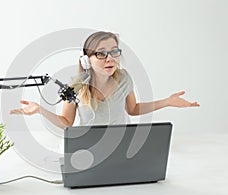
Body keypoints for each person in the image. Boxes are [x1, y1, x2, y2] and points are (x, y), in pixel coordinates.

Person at [10, 31, 199, 128]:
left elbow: (132, 110)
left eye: (114, 52)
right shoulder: (75, 86)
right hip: (88, 147)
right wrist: (40, 110)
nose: (110, 59)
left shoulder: (124, 78)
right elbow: (66, 122)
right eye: (101, 54)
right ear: (87, 60)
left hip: (120, 145)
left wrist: (167, 102)